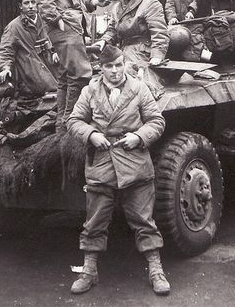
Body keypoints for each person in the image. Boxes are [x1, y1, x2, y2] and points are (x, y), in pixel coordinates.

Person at [67, 44, 169, 296]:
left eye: (118, 65)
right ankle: (89, 271)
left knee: (143, 220)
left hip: (134, 162)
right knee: (95, 220)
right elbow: (73, 120)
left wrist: (138, 136)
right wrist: (91, 135)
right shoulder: (90, 90)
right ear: (100, 69)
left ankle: (156, 270)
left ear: (125, 64)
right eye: (109, 67)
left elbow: (157, 121)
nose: (114, 71)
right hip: (101, 163)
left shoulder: (138, 88)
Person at [36, 0, 111, 131]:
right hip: (63, 27)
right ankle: (69, 121)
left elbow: (81, 0)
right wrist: (59, 23)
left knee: (66, 77)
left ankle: (61, 123)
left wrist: (96, 2)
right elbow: (44, 2)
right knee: (82, 74)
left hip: (75, 27)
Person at [98, 0, 169, 67]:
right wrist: (104, 40)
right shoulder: (116, 8)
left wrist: (157, 55)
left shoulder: (150, 3)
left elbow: (159, 31)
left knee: (129, 74)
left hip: (143, 52)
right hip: (123, 50)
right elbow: (112, 30)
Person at [0, 0, 59, 98]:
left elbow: (59, 40)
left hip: (55, 76)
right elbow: (6, 51)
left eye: (33, 2)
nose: (30, 6)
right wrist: (5, 68)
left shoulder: (47, 21)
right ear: (20, 6)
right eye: (26, 3)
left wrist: (57, 51)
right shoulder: (14, 27)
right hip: (32, 84)